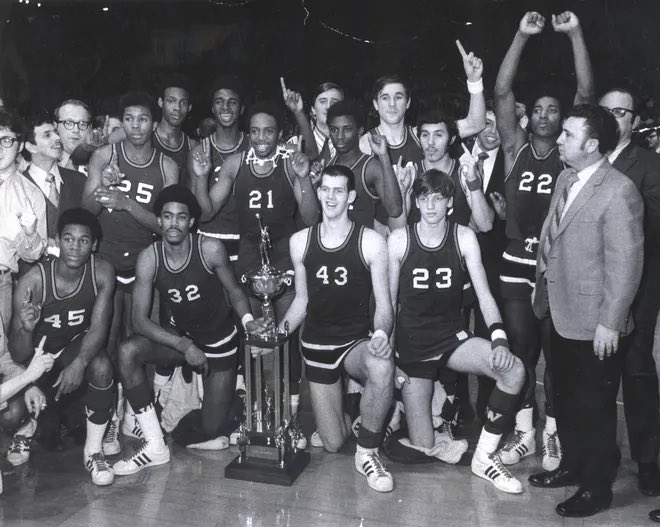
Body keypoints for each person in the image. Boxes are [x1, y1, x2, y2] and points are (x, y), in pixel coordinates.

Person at [529, 105, 643, 517]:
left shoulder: (619, 190)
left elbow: (626, 262)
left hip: (596, 323)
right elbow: (553, 235)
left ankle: (597, 489)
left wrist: (611, 322)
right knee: (566, 399)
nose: (558, 139)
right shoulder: (566, 177)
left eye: (568, 135)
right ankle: (573, 467)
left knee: (593, 408)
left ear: (592, 145)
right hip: (562, 312)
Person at [493, 10, 594, 470]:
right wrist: (520, 34)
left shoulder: (570, 156)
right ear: (527, 116)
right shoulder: (513, 148)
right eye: (538, 109)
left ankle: (552, 434)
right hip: (515, 264)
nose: (546, 115)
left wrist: (573, 34)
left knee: (556, 356)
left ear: (564, 120)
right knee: (521, 350)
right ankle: (525, 432)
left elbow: (587, 95)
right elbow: (501, 92)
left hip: (556, 269)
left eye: (554, 110)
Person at [388, 169, 525, 493]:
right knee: (422, 445)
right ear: (416, 202)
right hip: (412, 346)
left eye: (438, 199)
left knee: (515, 371)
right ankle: (420, 415)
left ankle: (484, 457)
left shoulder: (463, 236)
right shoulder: (399, 239)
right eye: (424, 198)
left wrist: (499, 340)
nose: (431, 206)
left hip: (451, 337)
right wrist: (391, 358)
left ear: (450, 202)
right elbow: (389, 306)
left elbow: (485, 295)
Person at [112, 185, 261, 475]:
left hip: (220, 342)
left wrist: (248, 322)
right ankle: (155, 445)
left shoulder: (209, 248)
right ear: (159, 220)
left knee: (208, 430)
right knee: (127, 350)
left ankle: (239, 399)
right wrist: (183, 345)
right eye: (167, 217)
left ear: (191, 222)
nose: (174, 223)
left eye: (181, 217)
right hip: (183, 340)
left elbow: (235, 292)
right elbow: (139, 320)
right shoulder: (149, 257)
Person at [278, 164, 395, 492]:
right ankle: (365, 415)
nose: (330, 196)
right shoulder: (300, 241)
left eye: (338, 190)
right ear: (318, 192)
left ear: (351, 196)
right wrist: (276, 334)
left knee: (381, 365)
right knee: (331, 443)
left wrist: (382, 335)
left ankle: (368, 452)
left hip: (354, 341)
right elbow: (301, 301)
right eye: (325, 189)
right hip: (316, 346)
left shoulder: (371, 241)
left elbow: (383, 304)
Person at [83, 91, 178, 450]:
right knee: (106, 346)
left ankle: (136, 417)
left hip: (144, 262)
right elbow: (87, 210)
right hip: (107, 260)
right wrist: (104, 185)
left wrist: (127, 202)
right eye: (129, 119)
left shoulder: (167, 166)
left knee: (140, 344)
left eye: (142, 119)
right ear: (121, 122)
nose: (135, 126)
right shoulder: (104, 155)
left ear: (153, 124)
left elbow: (168, 224)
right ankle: (108, 419)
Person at [9, 208, 117, 486]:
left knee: (102, 367)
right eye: (69, 239)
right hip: (36, 359)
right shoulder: (32, 281)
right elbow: (18, 354)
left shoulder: (102, 271)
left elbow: (99, 329)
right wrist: (25, 329)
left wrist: (79, 363)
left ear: (93, 245)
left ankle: (93, 452)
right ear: (58, 240)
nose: (75, 247)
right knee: (22, 418)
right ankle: (28, 426)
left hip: (72, 349)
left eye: (84, 241)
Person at [598, 87, 660, 496]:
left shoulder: (649, 164)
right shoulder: (586, 159)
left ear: (634, 121)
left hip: (636, 283)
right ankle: (596, 462)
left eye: (621, 112)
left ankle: (649, 463)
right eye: (605, 112)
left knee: (636, 372)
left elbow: (652, 229)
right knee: (595, 377)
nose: (612, 118)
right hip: (591, 285)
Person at [194, 75, 249, 264]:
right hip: (209, 239)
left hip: (247, 239)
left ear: (241, 109)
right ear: (212, 108)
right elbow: (200, 212)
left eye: (232, 102)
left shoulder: (255, 144)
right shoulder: (199, 151)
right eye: (219, 102)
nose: (225, 107)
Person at [0, 108, 47, 331]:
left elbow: (33, 255)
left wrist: (30, 233)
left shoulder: (31, 194)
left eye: (6, 140)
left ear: (19, 146)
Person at [325, 99, 402, 227]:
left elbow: (395, 210)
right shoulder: (327, 167)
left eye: (347, 129)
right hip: (331, 243)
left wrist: (383, 156)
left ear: (360, 130)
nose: (340, 136)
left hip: (362, 244)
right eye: (334, 130)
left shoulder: (370, 167)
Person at [22, 110, 86, 248]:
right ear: (31, 147)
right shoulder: (19, 187)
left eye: (56, 132)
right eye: (47, 135)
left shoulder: (79, 180)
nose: (57, 138)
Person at [153, 75, 197, 188]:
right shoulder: (144, 136)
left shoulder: (193, 147)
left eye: (183, 103)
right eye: (171, 101)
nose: (177, 108)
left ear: (189, 107)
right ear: (160, 102)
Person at [288, 81, 344, 158]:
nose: (328, 106)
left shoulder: (353, 145)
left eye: (334, 102)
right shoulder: (296, 143)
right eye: (323, 102)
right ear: (313, 109)